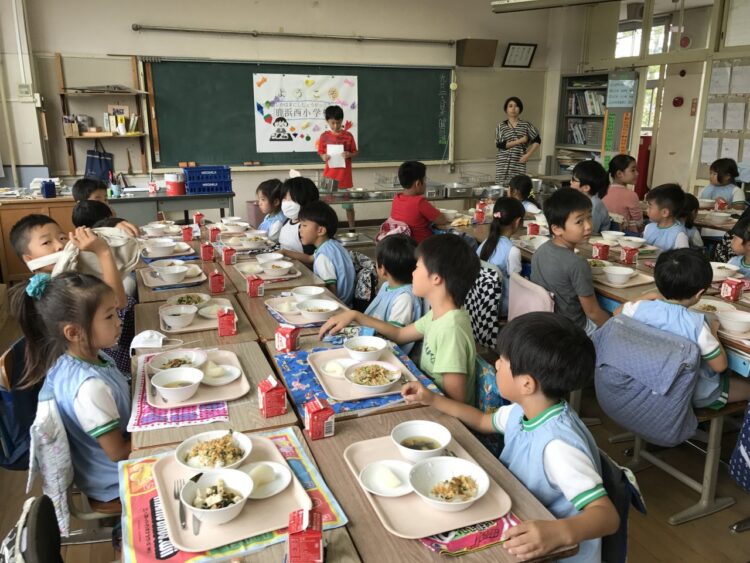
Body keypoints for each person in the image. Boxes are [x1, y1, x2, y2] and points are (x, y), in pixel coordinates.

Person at [400, 312, 619, 562]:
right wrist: (432, 399)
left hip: (550, 550)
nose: (495, 365)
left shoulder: (557, 446)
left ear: (527, 384)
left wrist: (559, 532)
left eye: (503, 361)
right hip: (516, 510)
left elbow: (607, 516)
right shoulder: (523, 410)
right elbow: (483, 421)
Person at [9, 273, 131, 510]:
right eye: (109, 316)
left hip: (110, 466)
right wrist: (152, 431)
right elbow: (118, 453)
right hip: (114, 480)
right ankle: (124, 532)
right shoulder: (89, 388)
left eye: (115, 312)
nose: (118, 322)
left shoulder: (82, 358)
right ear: (74, 332)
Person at [320, 234, 479, 404]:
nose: (412, 273)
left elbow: (457, 402)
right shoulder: (438, 314)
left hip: (439, 412)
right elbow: (399, 334)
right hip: (425, 394)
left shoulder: (451, 329)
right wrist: (355, 314)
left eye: (417, 267)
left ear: (436, 278)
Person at [615, 249, 750, 409]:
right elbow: (720, 366)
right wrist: (713, 332)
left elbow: (617, 312)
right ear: (700, 293)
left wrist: (646, 297)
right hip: (687, 394)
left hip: (643, 383)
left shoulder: (639, 308)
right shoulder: (696, 325)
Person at [531, 188, 609, 335]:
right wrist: (616, 327)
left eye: (589, 217)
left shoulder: (541, 250)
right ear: (557, 229)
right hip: (573, 330)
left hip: (547, 324)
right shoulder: (577, 263)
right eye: (579, 221)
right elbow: (592, 312)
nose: (588, 226)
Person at [364, 235, 423, 354]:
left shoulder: (405, 298)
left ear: (383, 269)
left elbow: (394, 335)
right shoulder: (387, 286)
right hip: (374, 341)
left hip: (389, 353)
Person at [298, 200, 355, 306]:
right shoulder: (332, 245)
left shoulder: (323, 257)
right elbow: (310, 258)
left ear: (320, 230)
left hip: (337, 306)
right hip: (347, 303)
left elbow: (331, 291)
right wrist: (284, 252)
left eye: (304, 225)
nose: (300, 229)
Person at [476, 197, 525, 318]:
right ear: (517, 222)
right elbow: (517, 285)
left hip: (481, 301)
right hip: (502, 307)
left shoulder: (484, 243)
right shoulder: (512, 251)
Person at [317, 105, 358, 230]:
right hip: (328, 178)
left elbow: (355, 152)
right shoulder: (324, 137)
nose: (336, 126)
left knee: (349, 206)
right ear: (327, 121)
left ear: (342, 121)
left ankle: (352, 229)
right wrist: (323, 157)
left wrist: (349, 154)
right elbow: (321, 153)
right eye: (333, 123)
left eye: (338, 123)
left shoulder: (348, 136)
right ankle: (325, 230)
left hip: (344, 178)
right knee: (323, 206)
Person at [390, 161, 448, 243]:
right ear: (418, 183)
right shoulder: (419, 202)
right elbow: (442, 220)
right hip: (422, 246)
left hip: (404, 246)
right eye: (424, 180)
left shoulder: (397, 198)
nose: (425, 183)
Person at [494, 96, 541, 186]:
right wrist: (520, 141)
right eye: (510, 106)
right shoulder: (501, 126)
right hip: (503, 163)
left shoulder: (526, 125)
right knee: (502, 189)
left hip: (518, 161)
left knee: (517, 187)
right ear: (506, 109)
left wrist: (528, 155)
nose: (513, 109)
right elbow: (500, 145)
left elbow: (537, 140)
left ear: (520, 109)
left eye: (516, 106)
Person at [72, 177, 138, 237]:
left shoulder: (108, 213)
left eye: (105, 199)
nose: (105, 204)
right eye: (97, 200)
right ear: (80, 204)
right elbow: (94, 228)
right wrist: (112, 222)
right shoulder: (81, 219)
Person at [278, 176, 320, 266]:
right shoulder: (287, 222)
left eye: (291, 199)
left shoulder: (307, 227)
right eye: (284, 198)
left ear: (307, 200)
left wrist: (286, 253)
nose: (285, 203)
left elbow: (312, 258)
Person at [602, 154, 642, 234]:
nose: (637, 173)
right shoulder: (631, 195)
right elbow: (639, 223)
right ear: (619, 174)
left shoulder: (602, 190)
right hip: (626, 236)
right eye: (633, 170)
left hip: (605, 233)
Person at [643, 184, 689, 251]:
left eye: (650, 207)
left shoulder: (679, 235)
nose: (647, 210)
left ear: (664, 212)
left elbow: (683, 258)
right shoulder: (649, 227)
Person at [571, 160, 611, 234]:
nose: (570, 182)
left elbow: (590, 231)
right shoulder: (582, 200)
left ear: (586, 188)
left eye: (573, 180)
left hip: (594, 240)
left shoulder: (594, 206)